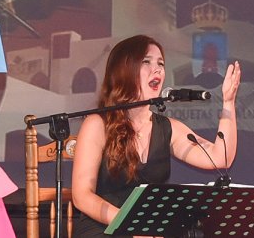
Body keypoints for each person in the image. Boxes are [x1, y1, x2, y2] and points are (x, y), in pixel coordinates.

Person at [71, 35, 241, 237]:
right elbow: (82, 196)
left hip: (149, 230)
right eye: (147, 62)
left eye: (160, 63)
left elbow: (220, 157)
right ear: (124, 70)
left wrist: (228, 103)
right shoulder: (97, 124)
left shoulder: (167, 128)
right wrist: (132, 224)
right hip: (104, 228)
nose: (158, 69)